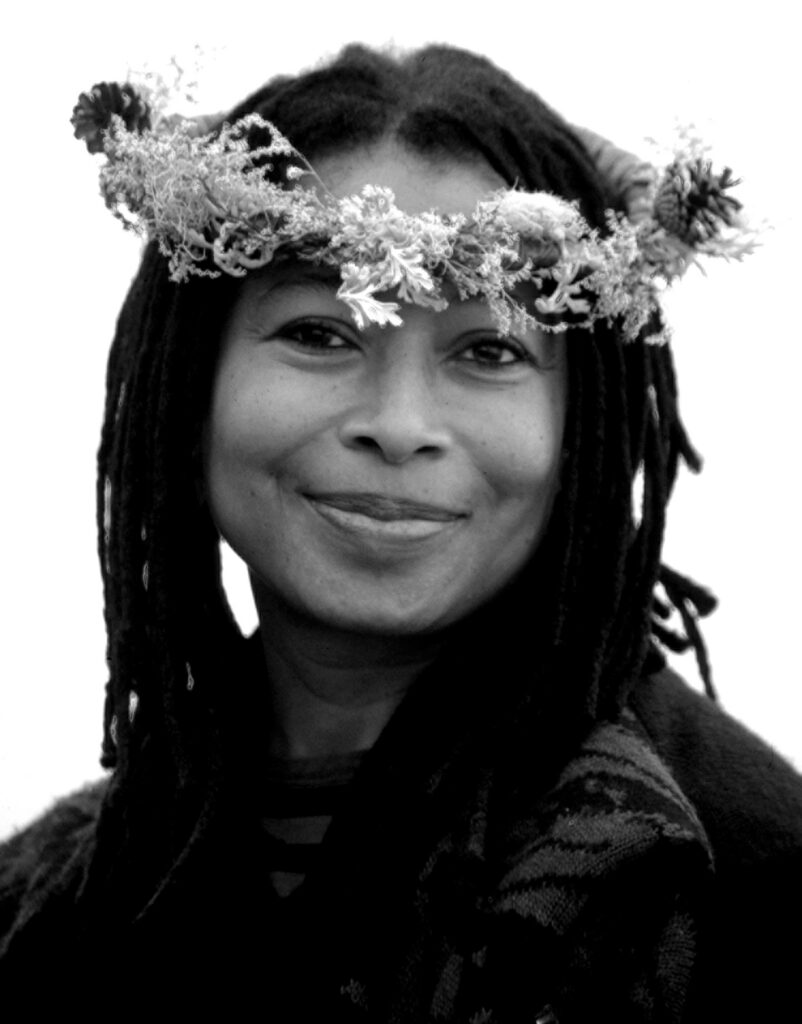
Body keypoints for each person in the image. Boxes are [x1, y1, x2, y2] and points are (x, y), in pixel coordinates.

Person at [1, 44, 800, 1020]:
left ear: (583, 424)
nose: (399, 420)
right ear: (185, 385)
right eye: (318, 333)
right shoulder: (45, 904)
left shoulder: (742, 881)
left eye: (490, 347)